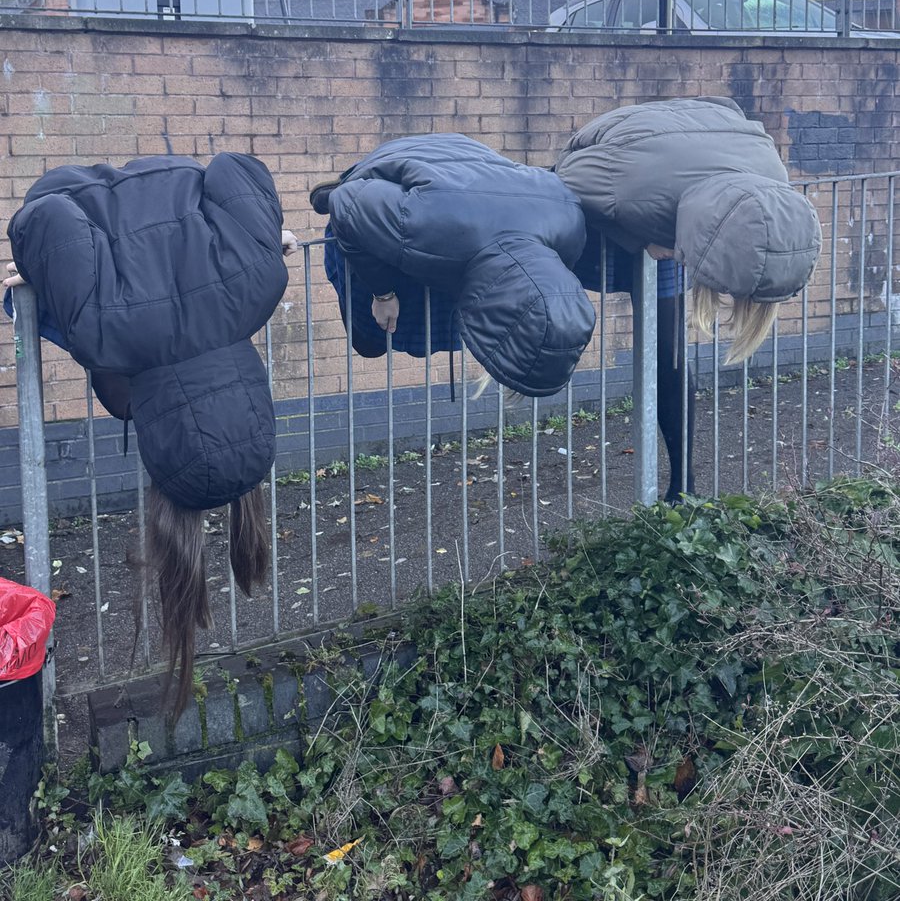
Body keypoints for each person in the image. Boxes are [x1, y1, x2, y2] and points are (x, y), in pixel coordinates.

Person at [4, 153, 297, 716]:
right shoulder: (100, 331)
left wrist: (263, 233)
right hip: (78, 192)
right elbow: (45, 217)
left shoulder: (260, 281)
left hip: (173, 174)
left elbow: (235, 168)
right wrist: (45, 274)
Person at [554, 95, 822, 501]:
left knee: (670, 351)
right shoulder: (627, 191)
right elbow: (566, 175)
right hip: (620, 162)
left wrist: (664, 242)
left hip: (690, 180)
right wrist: (644, 237)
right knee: (656, 342)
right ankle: (683, 485)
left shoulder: (773, 186)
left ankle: (683, 485)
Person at [310, 134, 597, 398]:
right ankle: (353, 175)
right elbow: (346, 203)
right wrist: (382, 294)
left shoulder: (572, 230)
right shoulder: (425, 226)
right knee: (369, 340)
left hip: (471, 165)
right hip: (411, 166)